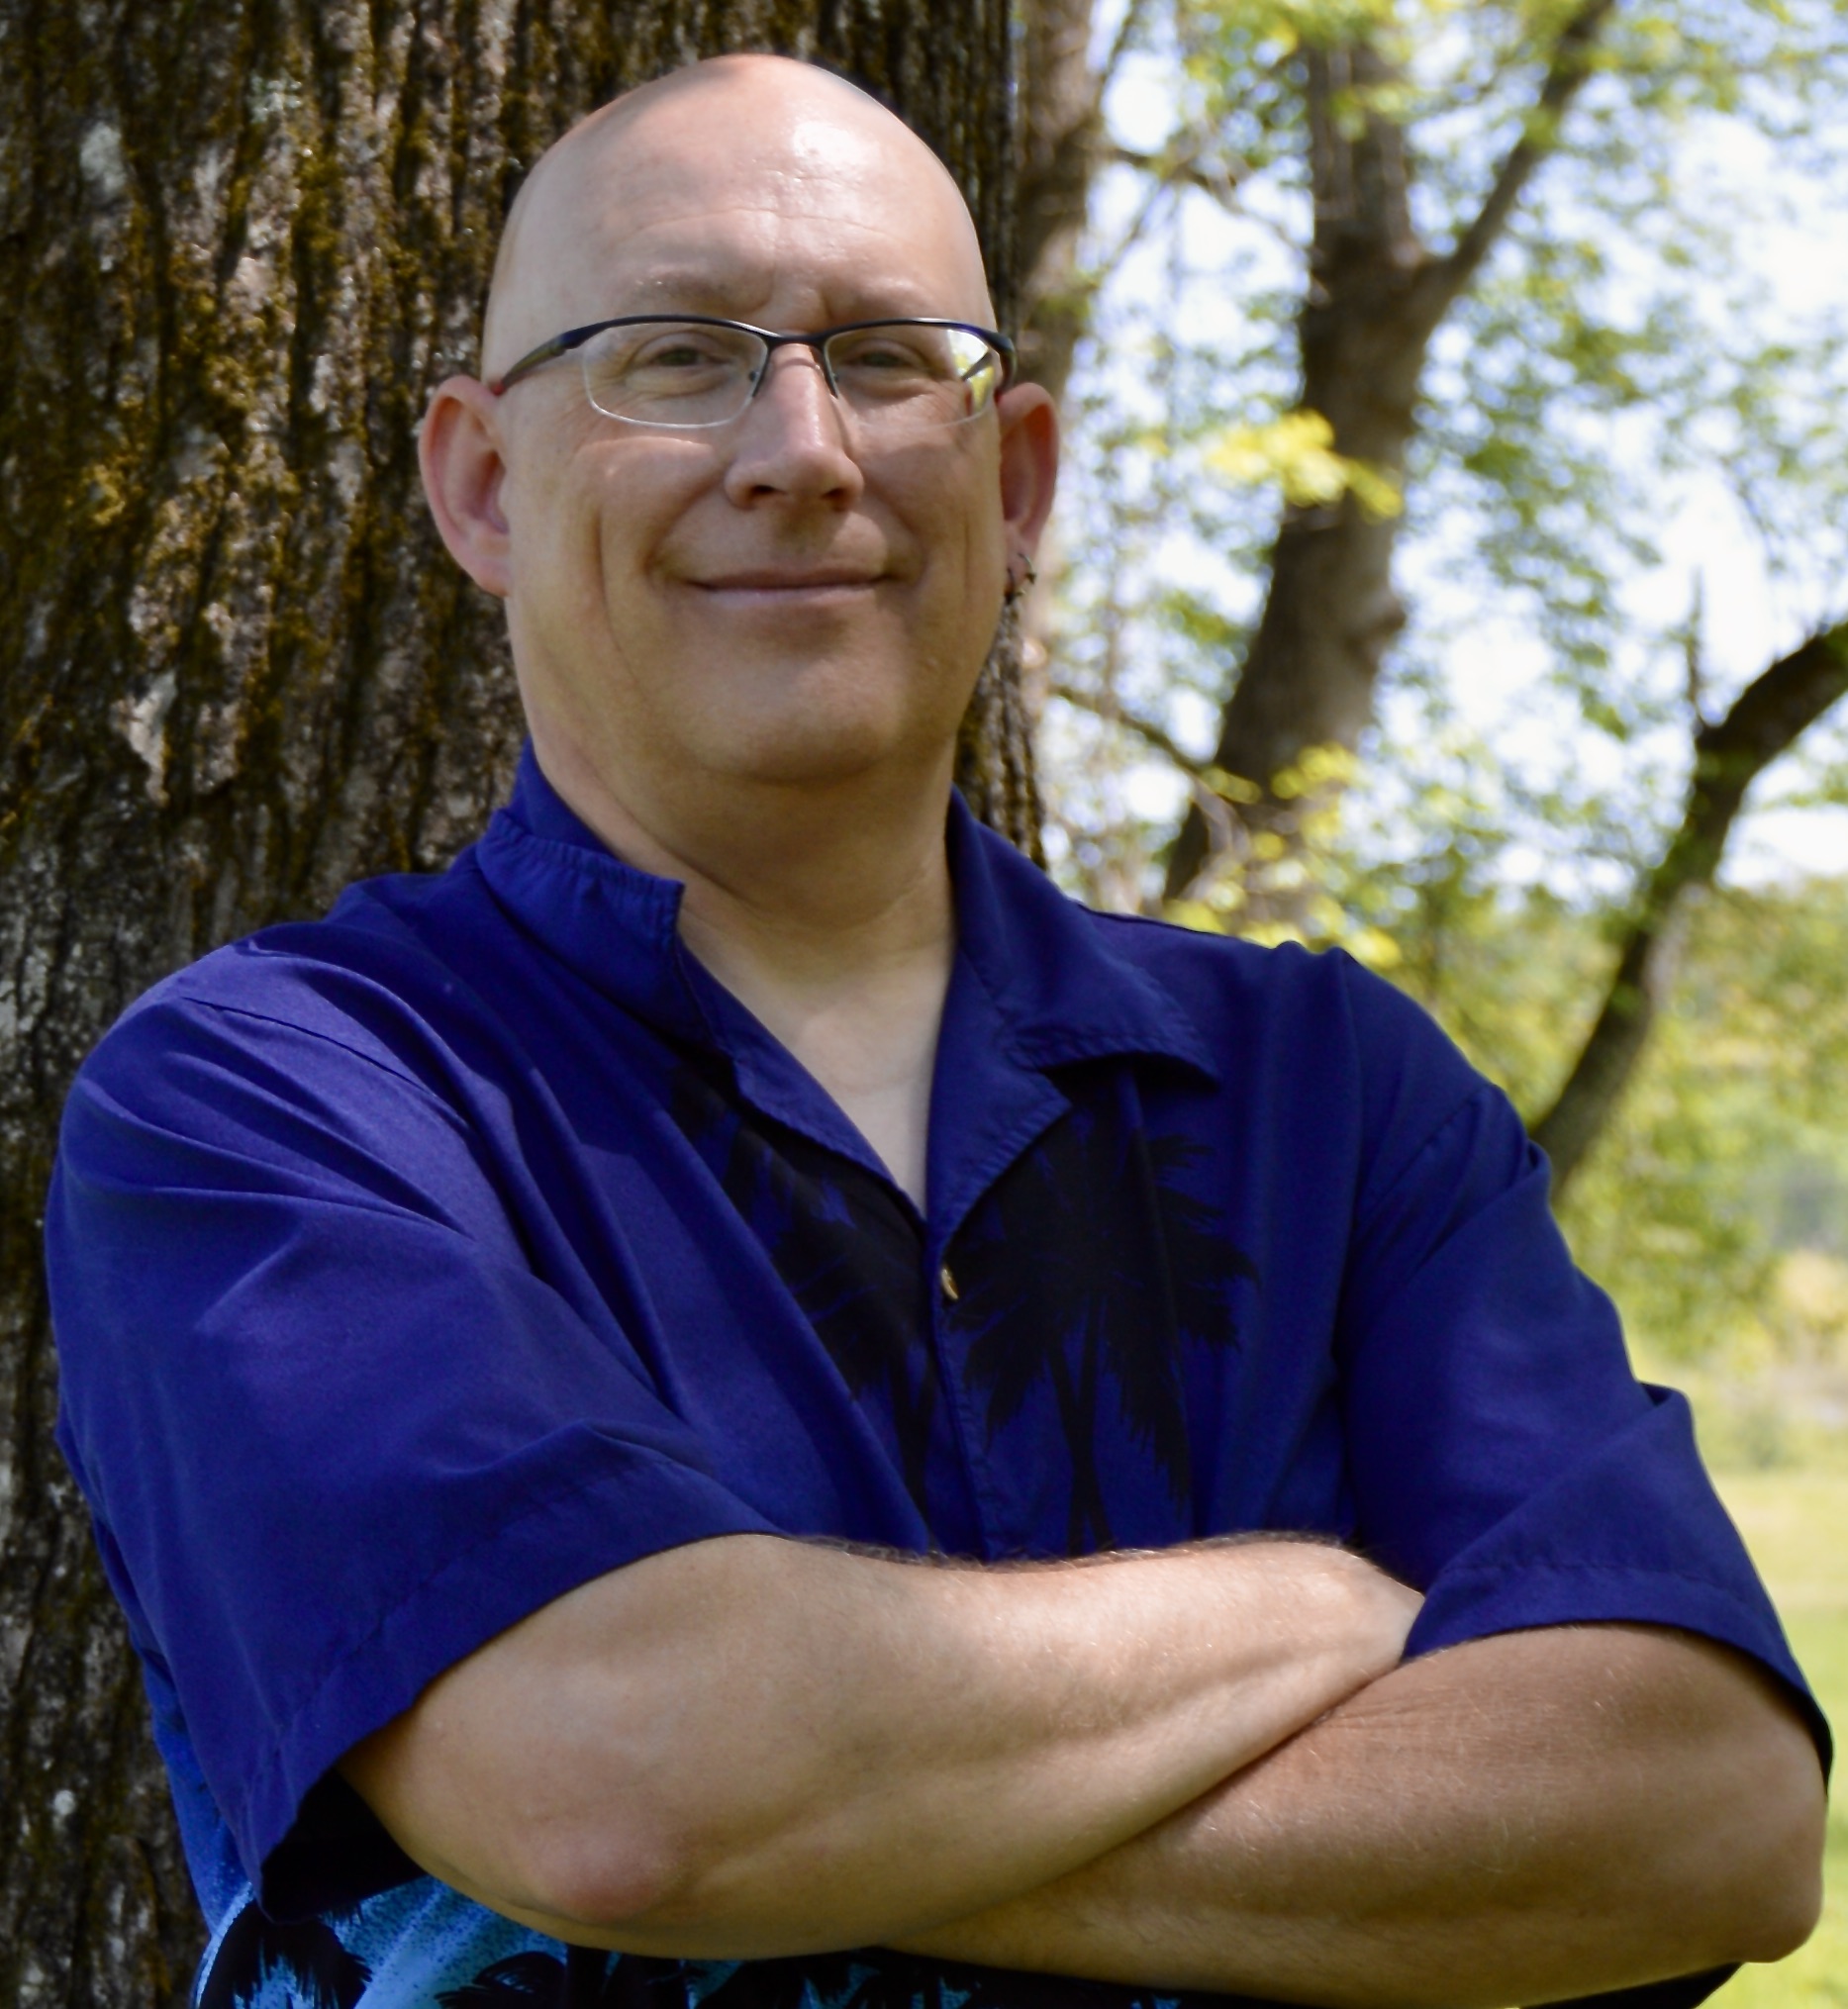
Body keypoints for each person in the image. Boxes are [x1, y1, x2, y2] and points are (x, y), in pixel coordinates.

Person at [48, 52, 1826, 2009]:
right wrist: (1318, 1608)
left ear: (1018, 478)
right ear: (481, 483)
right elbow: (620, 1787)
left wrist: (817, 1810)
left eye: (891, 360)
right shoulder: (282, 1102)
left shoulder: (1331, 1095)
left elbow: (1708, 1808)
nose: (803, 449)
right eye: (674, 356)